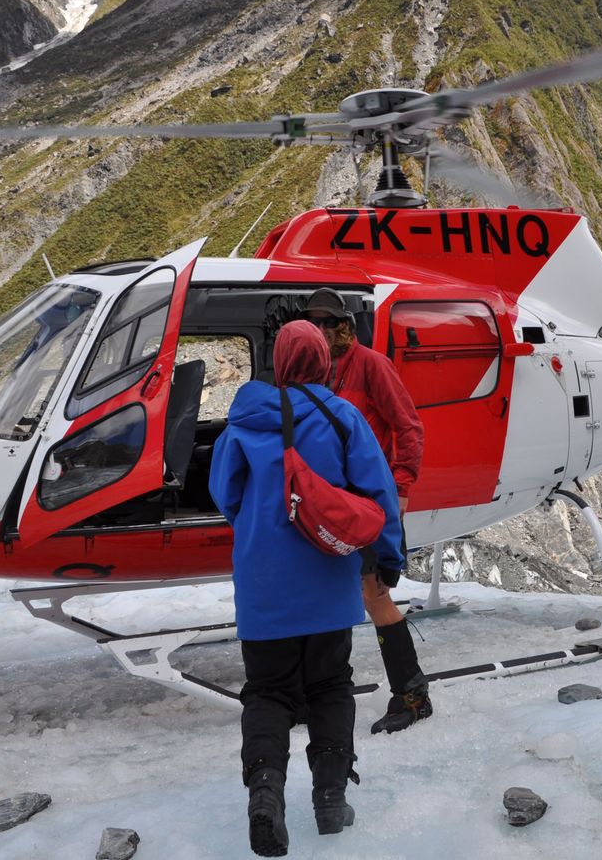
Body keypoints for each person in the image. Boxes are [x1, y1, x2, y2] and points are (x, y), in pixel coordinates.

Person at [209, 320, 404, 857]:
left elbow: (223, 493)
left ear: (279, 361)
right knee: (329, 686)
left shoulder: (244, 420)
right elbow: (377, 492)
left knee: (267, 691)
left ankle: (265, 797)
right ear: (322, 362)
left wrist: (258, 526)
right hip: (326, 578)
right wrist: (388, 559)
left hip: (262, 582)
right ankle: (329, 799)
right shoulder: (342, 417)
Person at [303, 288, 432, 734]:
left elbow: (408, 426)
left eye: (328, 322)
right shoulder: (315, 369)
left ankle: (413, 696)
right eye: (314, 322)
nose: (321, 329)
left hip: (366, 502)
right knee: (328, 593)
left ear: (345, 325)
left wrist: (401, 490)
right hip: (328, 503)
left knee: (373, 593)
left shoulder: (372, 365)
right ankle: (321, 689)